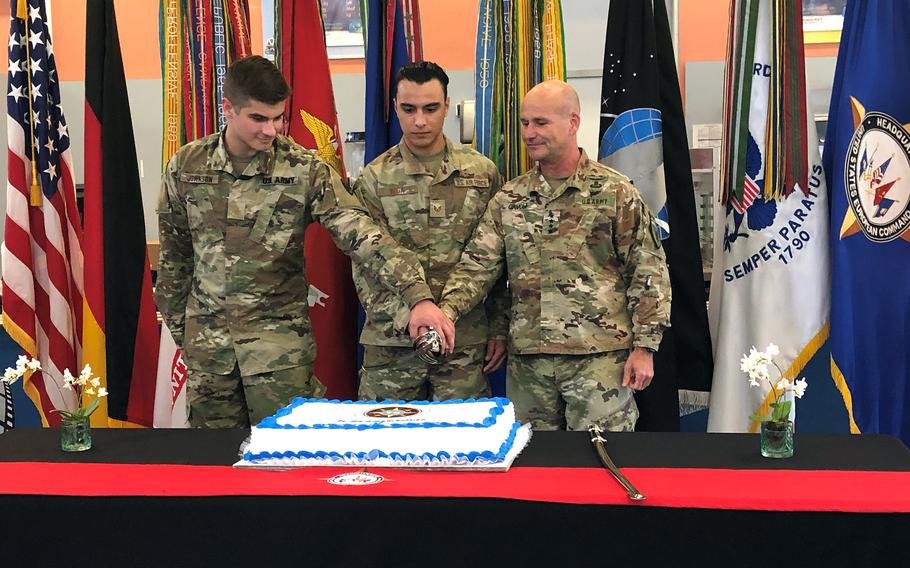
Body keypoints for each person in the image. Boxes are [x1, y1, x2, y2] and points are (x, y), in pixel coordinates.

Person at [155, 56, 451, 428]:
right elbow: (174, 260)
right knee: (214, 465)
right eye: (259, 119)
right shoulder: (187, 166)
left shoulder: (302, 168)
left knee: (288, 464)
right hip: (209, 355)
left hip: (278, 355)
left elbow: (360, 232)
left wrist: (416, 295)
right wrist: (188, 336)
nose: (271, 130)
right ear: (228, 108)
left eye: (278, 118)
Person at [411, 80, 671, 431]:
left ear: (573, 122)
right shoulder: (509, 198)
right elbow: (478, 268)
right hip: (530, 365)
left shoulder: (615, 192)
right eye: (525, 123)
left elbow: (648, 270)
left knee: (602, 463)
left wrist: (646, 347)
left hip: (598, 361)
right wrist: (445, 315)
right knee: (531, 468)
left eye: (541, 123)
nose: (530, 133)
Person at [353, 61, 508, 401]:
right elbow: (366, 266)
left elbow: (496, 260)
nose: (419, 121)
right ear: (395, 107)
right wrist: (412, 318)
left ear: (447, 106)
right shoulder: (375, 178)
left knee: (464, 446)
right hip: (392, 342)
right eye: (408, 109)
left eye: (430, 108)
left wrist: (498, 327)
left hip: (464, 341)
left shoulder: (481, 173)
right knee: (384, 445)